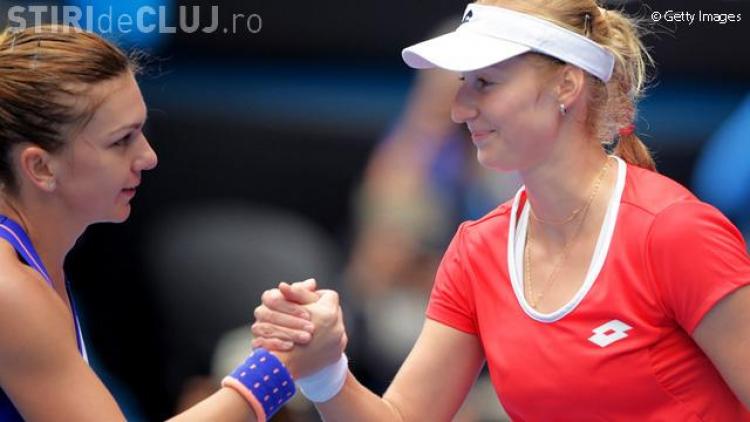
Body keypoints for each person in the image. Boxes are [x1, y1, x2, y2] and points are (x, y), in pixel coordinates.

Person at [251, 0, 750, 420]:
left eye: (485, 83)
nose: (459, 108)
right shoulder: (477, 251)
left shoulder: (675, 232)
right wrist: (326, 372)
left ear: (567, 86)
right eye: (463, 82)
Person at [0, 25, 344, 421]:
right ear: (41, 167)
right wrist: (280, 367)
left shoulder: (30, 269)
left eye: (141, 132)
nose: (148, 157)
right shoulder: (10, 290)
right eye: (121, 140)